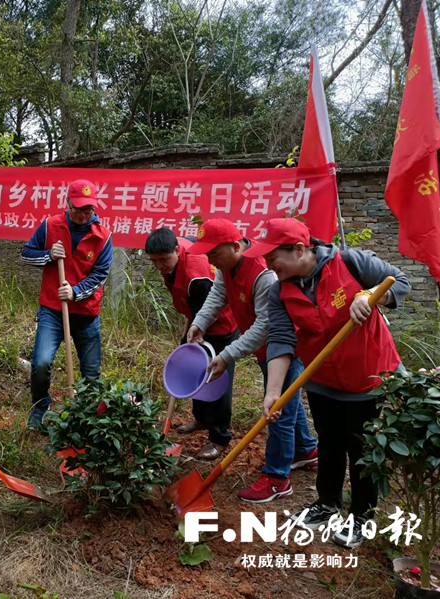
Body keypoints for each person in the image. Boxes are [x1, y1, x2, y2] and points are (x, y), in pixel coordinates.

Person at [244, 218, 409, 548]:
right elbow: (280, 339)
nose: (267, 264)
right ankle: (327, 503)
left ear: (300, 250)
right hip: (321, 378)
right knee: (330, 442)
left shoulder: (348, 262)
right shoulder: (280, 291)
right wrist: (273, 392)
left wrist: (367, 296)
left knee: (361, 448)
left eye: (272, 257)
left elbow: (400, 282)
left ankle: (361, 515)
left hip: (367, 375)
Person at [187, 218, 318, 501]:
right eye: (206, 254)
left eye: (214, 253)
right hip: (265, 349)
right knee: (287, 400)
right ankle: (306, 450)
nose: (210, 259)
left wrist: (227, 354)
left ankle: (277, 478)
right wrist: (199, 323)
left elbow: (265, 326)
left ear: (235, 246)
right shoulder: (226, 266)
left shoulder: (263, 274)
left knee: (278, 409)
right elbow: (218, 296)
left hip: (285, 348)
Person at [21, 179, 113, 429]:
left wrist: (75, 292)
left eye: (89, 209)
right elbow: (26, 255)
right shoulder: (50, 225)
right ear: (68, 204)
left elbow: (101, 274)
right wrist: (48, 255)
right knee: (40, 363)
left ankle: (88, 416)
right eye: (79, 208)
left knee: (91, 374)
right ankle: (41, 406)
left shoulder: (103, 236)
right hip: (52, 310)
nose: (84, 214)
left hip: (86, 313)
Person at [145, 227, 239, 459]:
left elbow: (210, 309)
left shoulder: (197, 276)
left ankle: (219, 437)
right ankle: (202, 419)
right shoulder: (172, 259)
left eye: (164, 260)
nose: (159, 266)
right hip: (197, 320)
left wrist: (194, 338)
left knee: (216, 377)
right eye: (154, 261)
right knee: (194, 370)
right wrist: (188, 333)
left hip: (221, 326)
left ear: (177, 250)